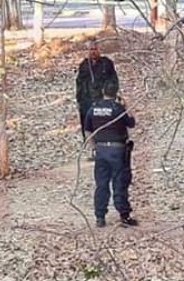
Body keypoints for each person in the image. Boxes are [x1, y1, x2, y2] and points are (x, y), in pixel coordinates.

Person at [84, 80, 138, 228]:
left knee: (101, 184)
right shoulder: (118, 108)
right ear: (116, 93)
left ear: (103, 91)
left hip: (101, 151)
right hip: (117, 151)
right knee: (120, 183)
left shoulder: (93, 108)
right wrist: (127, 105)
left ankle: (100, 217)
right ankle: (124, 216)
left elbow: (87, 129)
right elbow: (132, 123)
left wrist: (93, 147)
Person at [75, 39, 118, 151]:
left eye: (95, 49)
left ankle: (105, 147)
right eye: (91, 49)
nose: (93, 52)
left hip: (103, 99)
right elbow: (79, 83)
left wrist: (110, 94)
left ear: (99, 50)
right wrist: (79, 100)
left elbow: (113, 80)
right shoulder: (84, 65)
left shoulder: (106, 63)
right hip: (87, 100)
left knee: (104, 123)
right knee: (87, 125)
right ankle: (92, 149)